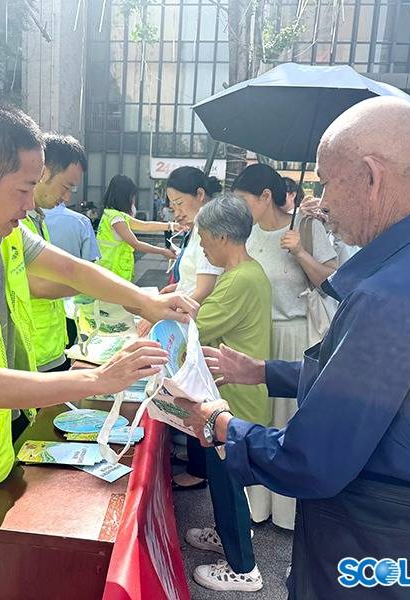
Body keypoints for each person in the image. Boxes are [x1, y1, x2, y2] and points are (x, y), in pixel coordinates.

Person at [0, 102, 197, 600]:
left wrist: (145, 301)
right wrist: (98, 380)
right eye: (23, 188)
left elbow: (68, 268)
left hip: (7, 426)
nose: (31, 205)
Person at [178, 97, 410, 598]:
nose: (320, 201)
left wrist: (221, 424)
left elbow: (311, 460)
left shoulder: (393, 292)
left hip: (370, 543)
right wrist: (265, 372)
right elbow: (376, 387)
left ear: (371, 177)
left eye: (327, 183)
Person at [232, 163, 338, 530]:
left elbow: (333, 280)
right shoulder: (246, 233)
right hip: (255, 335)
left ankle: (289, 513)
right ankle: (256, 506)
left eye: (244, 200)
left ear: (265, 196)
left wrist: (301, 253)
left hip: (294, 336)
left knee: (289, 421)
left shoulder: (306, 226)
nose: (241, 208)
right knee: (258, 417)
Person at [182, 195, 272, 592]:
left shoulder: (239, 280)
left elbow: (198, 327)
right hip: (234, 393)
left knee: (228, 482)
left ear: (221, 236)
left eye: (203, 237)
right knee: (223, 479)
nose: (202, 245)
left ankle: (243, 568)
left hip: (233, 400)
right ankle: (225, 535)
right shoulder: (247, 272)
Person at [157, 166, 224, 492]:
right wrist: (174, 292)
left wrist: (171, 305)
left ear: (200, 195)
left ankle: (200, 467)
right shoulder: (196, 228)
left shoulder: (208, 230)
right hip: (187, 317)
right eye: (172, 205)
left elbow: (205, 287)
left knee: (196, 390)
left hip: (198, 320)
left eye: (180, 203)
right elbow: (191, 280)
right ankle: (195, 455)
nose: (177, 211)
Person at [23, 133, 90, 372]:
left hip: (50, 346)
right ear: (43, 171)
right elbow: (39, 285)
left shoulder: (37, 218)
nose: (67, 197)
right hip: (30, 353)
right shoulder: (14, 223)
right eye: (66, 186)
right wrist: (94, 286)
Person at [96, 175, 176, 281]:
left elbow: (145, 225)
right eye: (132, 197)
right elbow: (136, 244)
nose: (133, 201)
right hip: (113, 271)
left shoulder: (111, 214)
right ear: (124, 197)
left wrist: (172, 226)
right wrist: (163, 251)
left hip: (109, 269)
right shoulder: (116, 219)